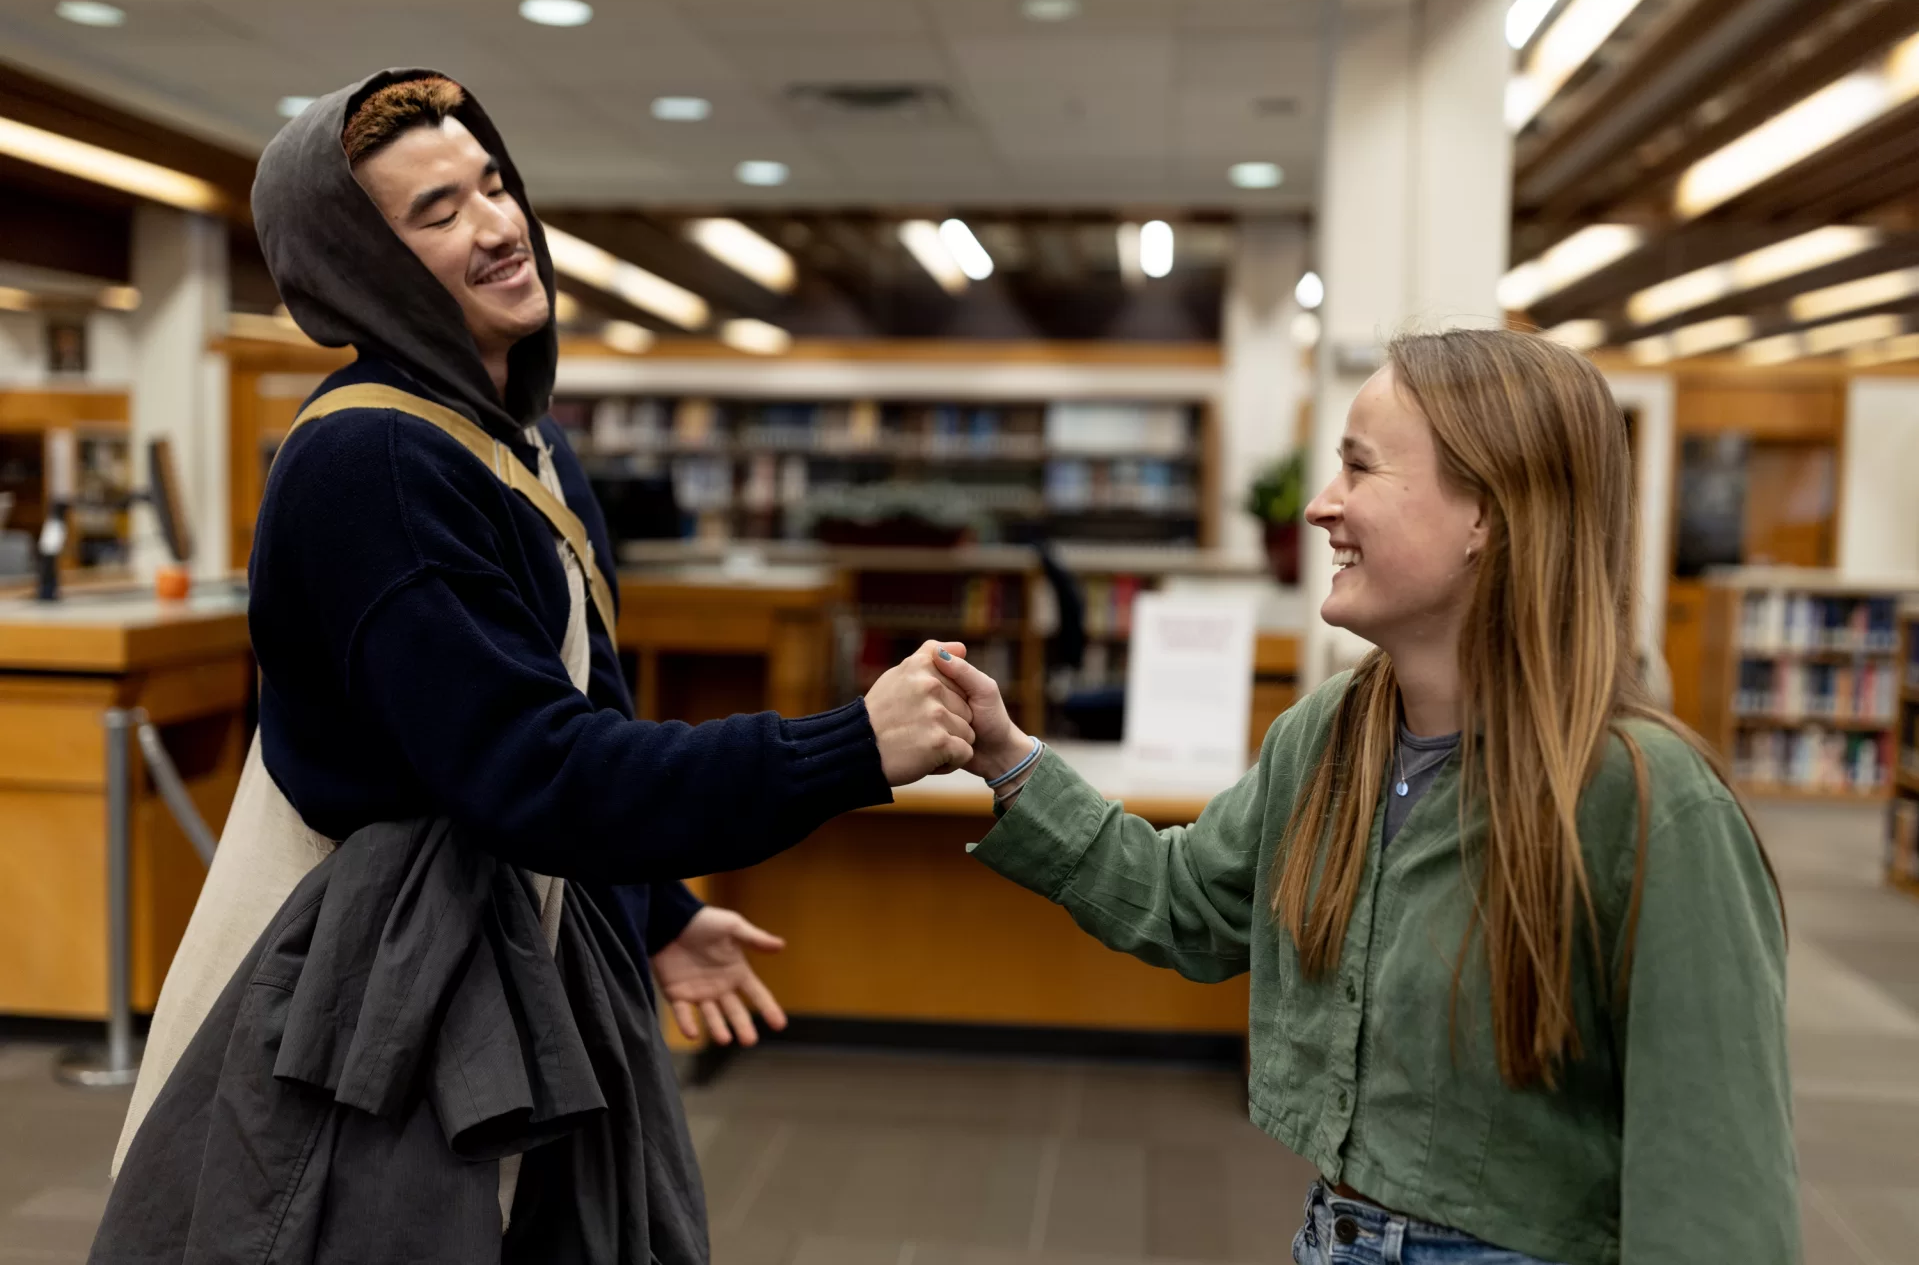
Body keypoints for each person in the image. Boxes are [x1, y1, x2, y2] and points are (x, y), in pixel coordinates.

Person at [104, 68, 976, 1263]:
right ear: (365, 265)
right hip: (380, 1007)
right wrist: (851, 747)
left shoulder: (528, 445)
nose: (500, 225)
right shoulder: (377, 467)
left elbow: (572, 709)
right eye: (437, 212)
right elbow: (536, 768)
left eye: (494, 184)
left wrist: (655, 910)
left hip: (522, 943)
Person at [934, 329, 1796, 1265]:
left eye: (1359, 467)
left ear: (1486, 515)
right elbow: (1189, 903)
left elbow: (1717, 1197)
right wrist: (1008, 756)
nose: (1318, 506)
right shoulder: (1327, 735)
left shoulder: (1647, 801)